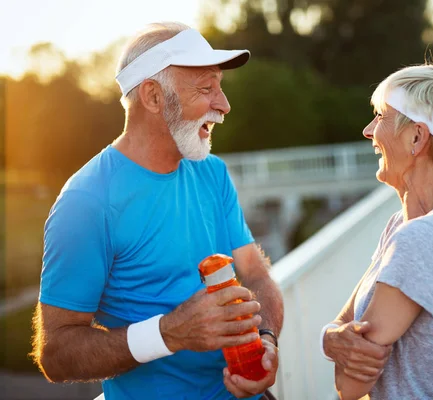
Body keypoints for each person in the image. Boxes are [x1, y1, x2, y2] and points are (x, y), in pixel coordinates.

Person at [31, 22, 284, 400]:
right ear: (152, 96)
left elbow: (255, 273)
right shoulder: (87, 202)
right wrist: (169, 333)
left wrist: (266, 340)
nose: (224, 104)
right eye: (205, 88)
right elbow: (56, 354)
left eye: (220, 85)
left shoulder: (211, 172)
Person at [320, 64, 433, 399]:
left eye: (381, 116)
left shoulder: (423, 239)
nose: (369, 130)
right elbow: (341, 327)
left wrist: (333, 339)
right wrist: (332, 339)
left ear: (417, 137)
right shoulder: (406, 225)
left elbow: (350, 387)